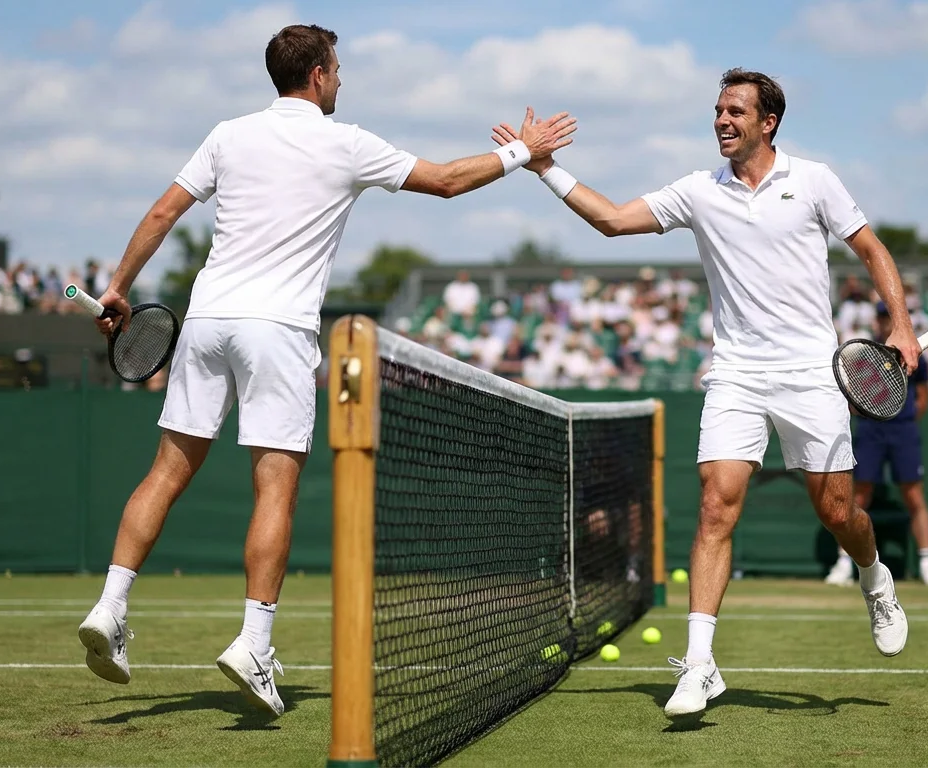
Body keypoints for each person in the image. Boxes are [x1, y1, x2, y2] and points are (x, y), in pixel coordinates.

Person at [76, 23, 576, 717]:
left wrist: (119, 287)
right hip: (276, 330)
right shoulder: (346, 142)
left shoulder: (228, 133)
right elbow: (446, 181)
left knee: (166, 471)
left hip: (208, 321)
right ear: (316, 75)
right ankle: (254, 642)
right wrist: (528, 151)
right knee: (275, 489)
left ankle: (110, 604)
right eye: (336, 69)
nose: (340, 79)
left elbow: (164, 211)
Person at [493, 68, 919, 718]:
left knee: (837, 513)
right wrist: (545, 168)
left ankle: (874, 576)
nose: (722, 120)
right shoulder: (698, 191)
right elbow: (610, 220)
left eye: (736, 111)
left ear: (768, 121)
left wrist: (902, 321)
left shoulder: (814, 180)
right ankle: (699, 665)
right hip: (737, 373)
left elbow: (871, 249)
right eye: (718, 110)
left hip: (810, 373)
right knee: (717, 506)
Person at [826, 302, 928, 588]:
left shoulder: (916, 356)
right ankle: (844, 563)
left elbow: (923, 397)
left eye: (888, 317)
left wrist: (903, 419)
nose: (883, 322)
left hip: (903, 431)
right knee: (859, 494)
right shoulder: (863, 352)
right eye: (881, 317)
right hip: (870, 430)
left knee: (914, 496)